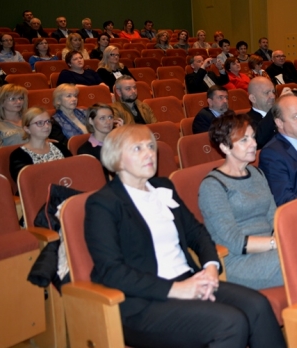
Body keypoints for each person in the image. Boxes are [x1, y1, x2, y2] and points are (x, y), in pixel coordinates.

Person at [85, 125, 286, 348]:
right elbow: (111, 270)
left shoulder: (163, 187)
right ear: (116, 159)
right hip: (144, 301)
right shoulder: (103, 203)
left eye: (151, 146)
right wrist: (176, 289)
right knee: (230, 323)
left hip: (190, 279)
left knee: (258, 305)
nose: (149, 153)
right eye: (137, 149)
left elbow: (196, 233)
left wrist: (210, 267)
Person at [198, 113, 283, 290]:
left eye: (253, 137)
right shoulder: (212, 186)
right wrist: (276, 243)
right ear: (225, 147)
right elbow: (234, 242)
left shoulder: (257, 173)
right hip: (238, 262)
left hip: (271, 250)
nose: (253, 144)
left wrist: (280, 239)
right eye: (244, 140)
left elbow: (274, 217)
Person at [9, 107, 72, 183]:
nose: (47, 126)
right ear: (27, 129)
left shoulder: (60, 147)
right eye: (39, 123)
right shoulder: (18, 155)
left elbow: (74, 170)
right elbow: (26, 183)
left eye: (48, 121)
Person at [77, 103, 121, 181]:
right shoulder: (85, 152)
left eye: (110, 117)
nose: (108, 121)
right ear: (91, 121)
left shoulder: (120, 142)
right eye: (102, 118)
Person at [246, 77, 278, 149]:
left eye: (273, 92)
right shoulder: (246, 120)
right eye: (267, 93)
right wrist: (275, 108)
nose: (273, 96)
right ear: (253, 98)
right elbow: (259, 141)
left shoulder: (281, 113)